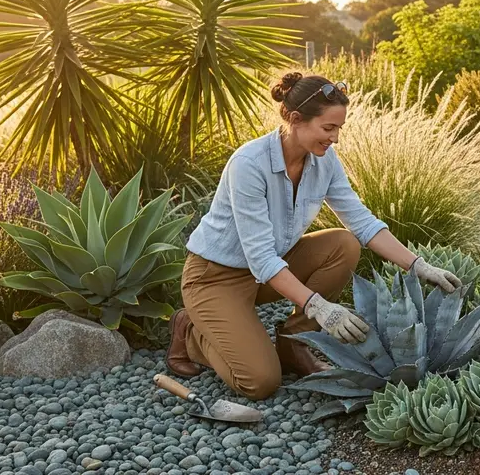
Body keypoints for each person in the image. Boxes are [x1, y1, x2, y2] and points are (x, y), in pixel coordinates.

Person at [166, 72, 464, 400]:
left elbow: (361, 223)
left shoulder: (324, 161)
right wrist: (319, 307)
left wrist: (419, 266)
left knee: (343, 244)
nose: (335, 138)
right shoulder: (249, 165)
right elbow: (261, 257)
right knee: (260, 382)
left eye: (339, 128)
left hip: (268, 271)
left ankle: (295, 344)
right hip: (216, 278)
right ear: (296, 120)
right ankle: (191, 330)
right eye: (328, 128)